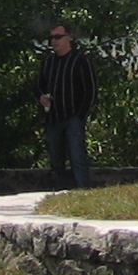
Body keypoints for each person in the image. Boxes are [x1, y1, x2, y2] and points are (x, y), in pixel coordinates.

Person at [36, 21, 96, 188]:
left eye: (58, 37)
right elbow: (38, 86)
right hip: (53, 119)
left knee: (78, 159)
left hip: (72, 118)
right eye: (51, 38)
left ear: (69, 38)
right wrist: (41, 97)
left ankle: (83, 192)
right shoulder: (48, 62)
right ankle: (58, 194)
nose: (54, 41)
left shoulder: (80, 60)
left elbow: (90, 90)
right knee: (56, 162)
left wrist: (80, 116)